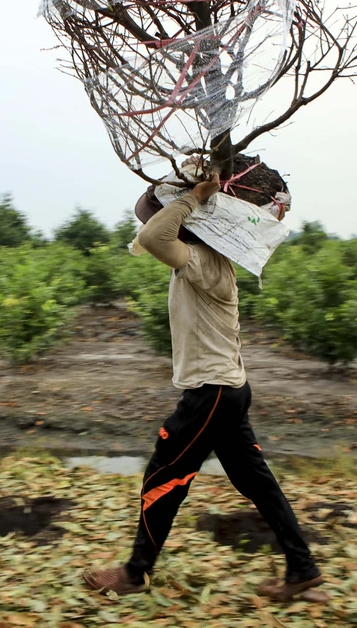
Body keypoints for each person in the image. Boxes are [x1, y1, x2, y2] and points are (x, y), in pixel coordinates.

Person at [82, 172, 324, 601]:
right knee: (259, 485)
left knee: (164, 473)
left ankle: (135, 574)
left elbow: (155, 236)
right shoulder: (201, 259)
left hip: (211, 394)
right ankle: (302, 571)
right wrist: (195, 186)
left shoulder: (203, 262)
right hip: (227, 390)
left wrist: (194, 196)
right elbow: (158, 235)